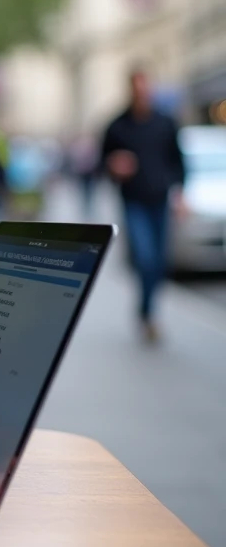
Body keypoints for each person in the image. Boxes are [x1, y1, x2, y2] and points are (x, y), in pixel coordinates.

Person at [100, 67, 186, 343]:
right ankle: (147, 314)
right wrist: (113, 166)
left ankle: (147, 311)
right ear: (130, 89)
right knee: (146, 257)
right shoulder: (117, 125)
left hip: (160, 200)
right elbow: (102, 163)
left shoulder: (165, 122)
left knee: (159, 262)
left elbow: (178, 161)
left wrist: (180, 194)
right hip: (133, 201)